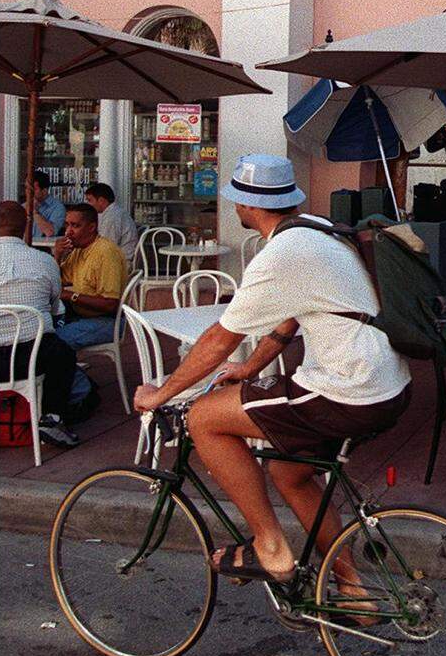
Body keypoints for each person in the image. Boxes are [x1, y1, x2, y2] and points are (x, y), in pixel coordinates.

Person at [133, 153, 412, 599]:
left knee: (203, 417)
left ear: (246, 205)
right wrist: (249, 369)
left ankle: (270, 547)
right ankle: (352, 588)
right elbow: (290, 318)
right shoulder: (317, 230)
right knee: (289, 472)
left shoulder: (281, 253)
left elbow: (217, 341)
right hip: (387, 384)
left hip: (346, 388)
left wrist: (160, 393)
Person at [0, 199, 80, 447]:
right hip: (31, 359)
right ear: (24, 227)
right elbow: (55, 306)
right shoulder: (44, 261)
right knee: (63, 352)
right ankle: (51, 417)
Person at [52, 202, 127, 419]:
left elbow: (110, 304)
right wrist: (57, 256)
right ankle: (74, 382)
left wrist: (70, 295)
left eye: (75, 225)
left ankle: (83, 392)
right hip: (78, 316)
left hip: (107, 321)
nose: (68, 231)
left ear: (92, 227)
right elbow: (57, 282)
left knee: (53, 345)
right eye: (67, 225)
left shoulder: (105, 253)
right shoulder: (78, 250)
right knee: (42, 338)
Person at [84, 182, 139, 268]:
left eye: (90, 200)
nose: (88, 204)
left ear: (101, 201)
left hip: (120, 264)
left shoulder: (112, 217)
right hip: (118, 258)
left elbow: (106, 248)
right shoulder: (113, 212)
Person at [30, 170, 66, 241]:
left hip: (44, 248)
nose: (29, 192)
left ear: (44, 190)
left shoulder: (58, 208)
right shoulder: (23, 206)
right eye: (27, 188)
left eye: (33, 189)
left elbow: (50, 232)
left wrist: (34, 212)